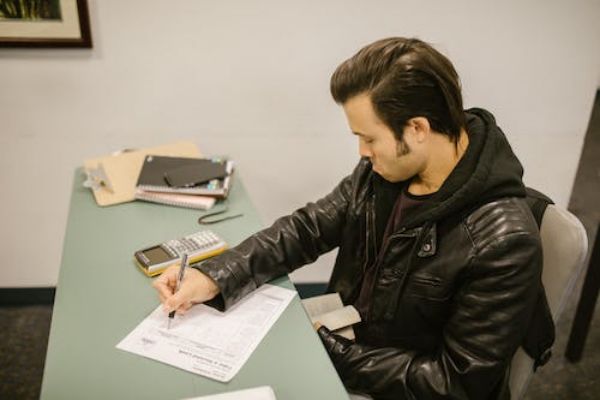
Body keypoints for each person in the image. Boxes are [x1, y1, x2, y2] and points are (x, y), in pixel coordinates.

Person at [153, 37, 554, 399]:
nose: (362, 152)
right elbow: (308, 229)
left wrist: (332, 351)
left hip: (388, 380)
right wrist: (215, 276)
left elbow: (454, 384)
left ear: (417, 128)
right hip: (350, 341)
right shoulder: (387, 171)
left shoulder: (504, 242)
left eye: (369, 138)